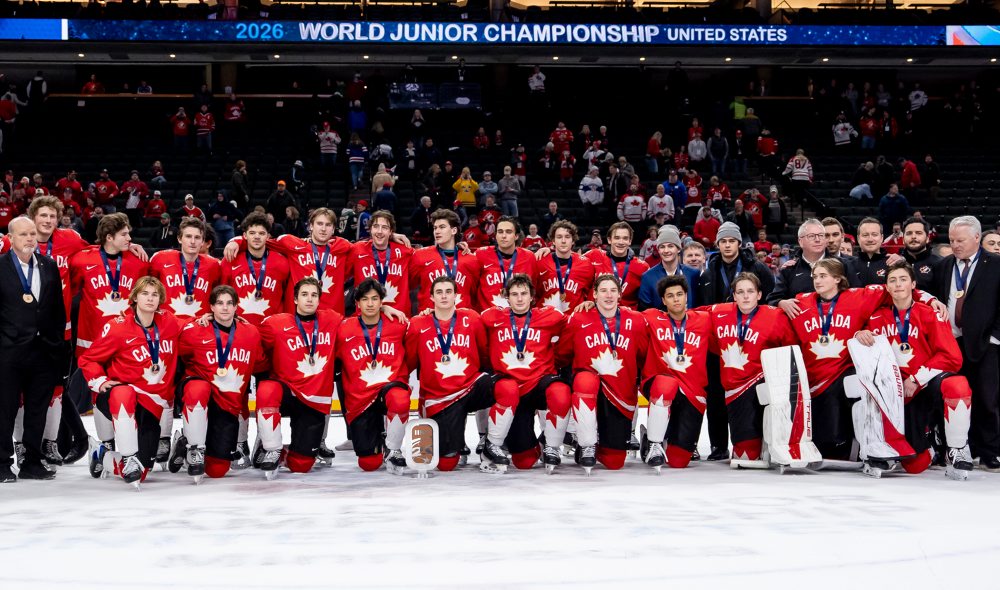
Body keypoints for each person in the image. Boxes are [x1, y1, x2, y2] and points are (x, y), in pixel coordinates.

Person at [775, 258, 938, 459]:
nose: (817, 280)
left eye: (823, 276)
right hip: (811, 378)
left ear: (837, 279)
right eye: (815, 276)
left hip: (841, 372)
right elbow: (770, 311)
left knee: (840, 428)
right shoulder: (801, 301)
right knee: (823, 443)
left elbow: (898, 289)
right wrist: (780, 302)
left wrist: (930, 300)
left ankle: (874, 444)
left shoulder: (859, 296)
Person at [854, 261, 973, 478]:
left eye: (903, 279)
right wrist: (859, 335)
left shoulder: (931, 314)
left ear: (913, 285)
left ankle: (958, 448)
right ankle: (926, 444)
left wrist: (916, 379)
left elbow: (951, 357)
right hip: (894, 393)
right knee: (915, 466)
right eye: (892, 280)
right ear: (887, 288)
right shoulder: (875, 317)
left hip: (922, 384)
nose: (898, 284)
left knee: (957, 384)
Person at [79, 276, 182, 488]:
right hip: (121, 397)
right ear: (134, 297)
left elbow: (191, 328)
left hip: (151, 405)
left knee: (141, 471)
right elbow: (88, 358)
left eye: (154, 295)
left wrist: (209, 320)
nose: (150, 299)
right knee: (123, 392)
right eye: (144, 294)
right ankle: (127, 457)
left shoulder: (169, 322)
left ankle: (100, 454)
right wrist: (99, 381)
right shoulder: (117, 327)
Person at [405, 276, 508, 472]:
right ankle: (455, 441)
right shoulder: (418, 324)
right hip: (439, 398)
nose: (444, 296)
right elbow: (409, 361)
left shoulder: (472, 318)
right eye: (439, 292)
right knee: (446, 464)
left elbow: (484, 353)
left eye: (448, 292)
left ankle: (491, 443)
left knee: (506, 387)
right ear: (432, 298)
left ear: (456, 296)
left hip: (470, 386)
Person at [697, 222, 776, 460]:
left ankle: (753, 440)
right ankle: (718, 446)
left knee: (750, 393)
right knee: (715, 395)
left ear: (739, 243)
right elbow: (703, 309)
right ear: (717, 244)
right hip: (719, 343)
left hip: (750, 340)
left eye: (732, 241)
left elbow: (769, 300)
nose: (727, 245)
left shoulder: (758, 268)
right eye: (723, 241)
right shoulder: (709, 271)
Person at [557, 274, 648, 473]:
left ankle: (633, 440)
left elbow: (643, 356)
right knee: (585, 381)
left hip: (620, 392)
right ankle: (586, 443)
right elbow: (563, 354)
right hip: (589, 388)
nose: (608, 295)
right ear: (594, 295)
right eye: (603, 291)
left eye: (613, 290)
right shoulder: (579, 318)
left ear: (620, 294)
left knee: (614, 462)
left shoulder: (637, 320)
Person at [254, 277, 344, 478]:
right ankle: (271, 448)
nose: (309, 299)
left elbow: (363, 321)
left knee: (301, 465)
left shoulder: (332, 320)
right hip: (286, 393)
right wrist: (211, 318)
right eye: (304, 295)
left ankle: (286, 452)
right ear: (295, 299)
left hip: (313, 402)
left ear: (320, 300)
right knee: (267, 388)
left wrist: (384, 310)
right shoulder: (275, 324)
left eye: (314, 295)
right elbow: (245, 335)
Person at [0, 217, 67, 482]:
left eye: (32, 234)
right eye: (23, 234)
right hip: (9, 352)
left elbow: (57, 310)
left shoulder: (49, 266)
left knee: (38, 409)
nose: (30, 238)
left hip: (43, 351)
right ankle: (2, 462)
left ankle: (32, 461)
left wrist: (56, 343)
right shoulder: (1, 266)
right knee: (4, 409)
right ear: (10, 237)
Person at [172, 285, 262, 482]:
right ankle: (194, 448)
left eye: (229, 303)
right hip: (201, 396)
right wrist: (196, 319)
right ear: (211, 306)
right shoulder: (195, 329)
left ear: (236, 306)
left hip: (227, 405)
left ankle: (182, 441)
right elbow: (170, 329)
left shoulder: (251, 333)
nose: (225, 308)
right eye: (219, 303)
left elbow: (261, 361)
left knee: (217, 470)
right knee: (198, 388)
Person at [931, 216, 1000, 470]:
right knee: (954, 397)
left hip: (984, 343)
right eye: (951, 240)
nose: (955, 245)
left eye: (960, 240)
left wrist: (995, 338)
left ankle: (991, 450)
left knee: (986, 398)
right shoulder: (944, 265)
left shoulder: (995, 264)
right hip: (950, 343)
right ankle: (960, 448)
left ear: (976, 238)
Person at [705, 273, 796, 466]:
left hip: (762, 383)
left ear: (760, 294)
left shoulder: (775, 316)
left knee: (759, 451)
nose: (745, 296)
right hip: (733, 389)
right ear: (734, 296)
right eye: (740, 292)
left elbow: (790, 350)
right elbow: (687, 319)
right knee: (745, 456)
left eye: (750, 291)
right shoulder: (717, 312)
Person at [481, 274, 569, 471]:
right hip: (511, 391)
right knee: (524, 462)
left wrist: (587, 306)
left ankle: (552, 447)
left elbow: (575, 325)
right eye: (514, 294)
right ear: (507, 297)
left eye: (523, 294)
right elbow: (462, 319)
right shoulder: (492, 316)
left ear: (532, 297)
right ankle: (511, 444)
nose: (519, 299)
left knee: (561, 393)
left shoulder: (549, 315)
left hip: (539, 383)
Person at [335, 279, 411, 473]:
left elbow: (428, 325)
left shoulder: (398, 324)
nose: (370, 304)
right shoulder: (343, 328)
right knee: (368, 464)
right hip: (360, 400)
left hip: (389, 388)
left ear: (381, 302)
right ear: (358, 303)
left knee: (400, 398)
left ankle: (393, 449)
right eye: (365, 299)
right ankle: (380, 439)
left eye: (375, 299)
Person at [639, 275, 710, 470]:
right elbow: (617, 313)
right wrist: (588, 304)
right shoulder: (652, 317)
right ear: (663, 300)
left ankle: (655, 439)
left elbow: (734, 311)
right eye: (670, 296)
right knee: (665, 385)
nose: (676, 299)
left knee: (678, 462)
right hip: (660, 383)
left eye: (680, 294)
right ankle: (654, 444)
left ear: (687, 296)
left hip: (693, 391)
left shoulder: (704, 319)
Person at [768, 218, 862, 306]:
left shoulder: (843, 265)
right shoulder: (789, 269)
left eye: (821, 235)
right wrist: (781, 303)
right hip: (802, 322)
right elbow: (772, 300)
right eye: (812, 236)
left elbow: (857, 295)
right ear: (800, 241)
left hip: (837, 321)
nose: (817, 240)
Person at [219, 212, 291, 327]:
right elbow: (220, 294)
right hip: (239, 327)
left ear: (268, 236)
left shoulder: (282, 262)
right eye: (252, 233)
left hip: (273, 327)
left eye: (261, 233)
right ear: (245, 235)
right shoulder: (230, 260)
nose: (257, 237)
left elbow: (288, 296)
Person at [149, 217, 222, 320]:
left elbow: (221, 296)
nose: (192, 241)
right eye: (188, 236)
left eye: (197, 237)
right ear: (179, 239)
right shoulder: (160, 259)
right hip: (166, 325)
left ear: (202, 241)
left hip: (200, 326)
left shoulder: (214, 265)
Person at [409, 209, 480, 313]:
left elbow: (475, 294)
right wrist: (393, 235)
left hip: (461, 322)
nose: (437, 231)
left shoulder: (471, 259)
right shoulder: (420, 255)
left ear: (454, 230)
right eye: (435, 228)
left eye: (442, 227)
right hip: (430, 320)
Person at [351, 211, 414, 313]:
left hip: (398, 318)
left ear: (391, 231)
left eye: (384, 228)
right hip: (366, 319)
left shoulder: (405, 251)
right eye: (376, 226)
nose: (379, 231)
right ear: (370, 229)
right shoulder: (357, 250)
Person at [584, 222, 650, 310]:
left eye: (625, 238)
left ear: (630, 241)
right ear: (609, 240)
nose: (621, 242)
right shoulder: (593, 256)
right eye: (617, 238)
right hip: (595, 314)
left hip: (626, 318)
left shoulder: (642, 267)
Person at [475, 216, 537, 310]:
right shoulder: (480, 254)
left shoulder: (529, 257)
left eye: (508, 232)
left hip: (519, 320)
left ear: (516, 236)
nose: (503, 236)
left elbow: (535, 287)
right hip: (488, 319)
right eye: (500, 232)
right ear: (495, 235)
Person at [535, 220, 595, 312]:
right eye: (559, 237)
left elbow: (592, 289)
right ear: (553, 241)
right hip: (546, 319)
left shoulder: (585, 264)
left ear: (573, 241)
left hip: (573, 320)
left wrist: (590, 301)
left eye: (567, 237)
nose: (563, 241)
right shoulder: (540, 261)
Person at [639, 226, 700, 310]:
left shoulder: (693, 274)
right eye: (662, 247)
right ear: (658, 250)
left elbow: (698, 306)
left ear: (678, 249)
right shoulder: (648, 277)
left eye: (670, 246)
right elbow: (645, 310)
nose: (666, 250)